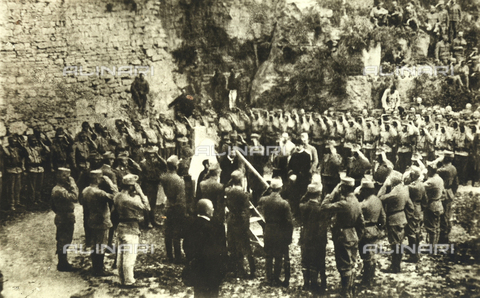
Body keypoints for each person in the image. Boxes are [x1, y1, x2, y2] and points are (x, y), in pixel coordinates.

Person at [320, 177, 364, 298]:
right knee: (351, 263)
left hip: (342, 236)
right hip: (353, 235)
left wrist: (332, 193)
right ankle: (350, 288)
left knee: (344, 265)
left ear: (343, 188)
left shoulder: (343, 204)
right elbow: (361, 223)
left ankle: (345, 291)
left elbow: (324, 206)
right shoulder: (356, 201)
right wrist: (357, 237)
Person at [183, 199, 228, 298]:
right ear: (208, 211)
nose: (213, 209)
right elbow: (222, 250)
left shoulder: (191, 224)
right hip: (213, 271)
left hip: (197, 270)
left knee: (199, 293)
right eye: (212, 207)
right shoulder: (217, 226)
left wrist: (192, 260)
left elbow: (186, 245)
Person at [114, 173, 150, 288]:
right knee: (129, 256)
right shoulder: (131, 200)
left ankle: (121, 278)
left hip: (120, 227)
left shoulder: (117, 196)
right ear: (131, 186)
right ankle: (129, 281)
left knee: (120, 255)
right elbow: (147, 207)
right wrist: (140, 193)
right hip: (131, 228)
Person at [257, 178, 293, 287]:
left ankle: (268, 278)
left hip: (268, 229)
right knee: (278, 255)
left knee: (268, 255)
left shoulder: (264, 200)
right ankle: (276, 278)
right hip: (279, 231)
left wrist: (264, 225)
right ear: (281, 188)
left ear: (271, 188)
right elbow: (289, 222)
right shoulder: (284, 203)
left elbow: (257, 206)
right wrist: (288, 236)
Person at [378, 171, 412, 273]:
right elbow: (410, 206)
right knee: (399, 242)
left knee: (395, 244)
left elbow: (379, 197)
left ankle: (395, 266)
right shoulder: (405, 189)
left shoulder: (395, 192)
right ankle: (396, 264)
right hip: (402, 217)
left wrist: (384, 186)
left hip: (394, 219)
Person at [82, 169, 115, 276]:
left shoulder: (85, 190)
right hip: (102, 221)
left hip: (92, 220)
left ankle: (95, 267)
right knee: (101, 245)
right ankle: (99, 269)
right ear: (98, 179)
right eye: (101, 178)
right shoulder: (99, 193)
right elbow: (116, 197)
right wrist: (111, 184)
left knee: (95, 245)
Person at [299, 183, 329, 294]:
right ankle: (317, 284)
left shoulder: (303, 206)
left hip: (305, 236)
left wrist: (307, 192)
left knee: (306, 260)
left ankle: (306, 283)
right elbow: (323, 226)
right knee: (318, 261)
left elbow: (302, 200)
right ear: (319, 194)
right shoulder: (320, 209)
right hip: (318, 238)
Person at [225, 170, 255, 278]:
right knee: (244, 246)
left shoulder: (228, 191)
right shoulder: (243, 194)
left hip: (231, 220)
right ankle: (247, 271)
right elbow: (246, 211)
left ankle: (234, 268)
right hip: (240, 221)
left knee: (232, 244)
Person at [357, 178, 385, 286]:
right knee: (372, 254)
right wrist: (379, 228)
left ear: (366, 191)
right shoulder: (377, 200)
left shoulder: (363, 205)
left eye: (363, 190)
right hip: (374, 229)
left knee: (366, 256)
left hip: (365, 231)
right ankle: (371, 276)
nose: (361, 192)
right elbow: (383, 217)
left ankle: (366, 280)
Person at [51, 167, 79, 272]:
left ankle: (63, 262)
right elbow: (75, 197)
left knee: (65, 240)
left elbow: (52, 206)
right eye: (64, 175)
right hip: (64, 217)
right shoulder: (59, 190)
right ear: (58, 176)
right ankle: (62, 264)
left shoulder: (59, 188)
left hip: (63, 216)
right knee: (63, 240)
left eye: (68, 175)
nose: (67, 178)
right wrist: (73, 183)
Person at [161, 155, 186, 263]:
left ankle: (169, 256)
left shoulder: (163, 177)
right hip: (176, 208)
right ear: (176, 166)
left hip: (166, 208)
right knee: (176, 232)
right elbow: (181, 199)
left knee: (167, 231)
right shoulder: (179, 180)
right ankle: (178, 257)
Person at [140, 146, 167, 227]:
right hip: (147, 185)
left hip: (154, 184)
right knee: (147, 203)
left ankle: (153, 220)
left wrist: (158, 156)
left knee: (153, 204)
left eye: (153, 154)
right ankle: (147, 222)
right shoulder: (143, 163)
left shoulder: (156, 162)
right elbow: (141, 175)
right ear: (147, 155)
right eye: (150, 154)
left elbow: (165, 165)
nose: (152, 156)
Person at [437, 151, 458, 244]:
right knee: (447, 215)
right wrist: (452, 193)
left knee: (443, 216)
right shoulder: (453, 168)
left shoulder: (443, 170)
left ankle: (443, 239)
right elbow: (456, 184)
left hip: (443, 193)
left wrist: (437, 160)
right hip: (449, 193)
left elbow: (431, 169)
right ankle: (445, 236)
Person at [404, 166, 424, 263]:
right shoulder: (421, 184)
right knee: (416, 230)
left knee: (411, 232)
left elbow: (404, 185)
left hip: (412, 209)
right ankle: (415, 252)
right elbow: (425, 199)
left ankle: (414, 255)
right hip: (418, 208)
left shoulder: (411, 187)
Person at [1, 135, 27, 210]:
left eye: (15, 142)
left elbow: (25, 154)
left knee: (17, 187)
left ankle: (17, 202)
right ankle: (11, 204)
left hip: (18, 169)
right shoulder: (6, 150)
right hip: (10, 170)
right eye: (13, 142)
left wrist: (21, 145)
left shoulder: (17, 149)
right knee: (11, 188)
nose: (14, 143)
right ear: (9, 142)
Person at [423, 160, 445, 245]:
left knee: (431, 227)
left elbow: (422, 187)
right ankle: (434, 245)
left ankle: (431, 248)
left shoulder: (431, 181)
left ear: (430, 170)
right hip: (438, 204)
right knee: (436, 226)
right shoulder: (440, 179)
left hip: (431, 205)